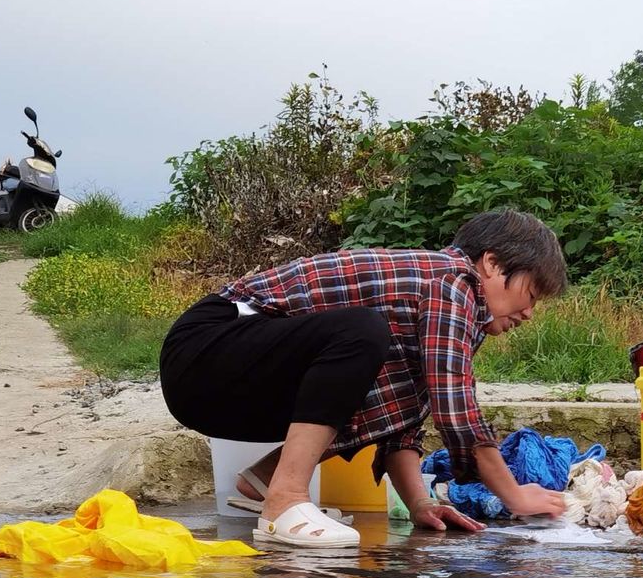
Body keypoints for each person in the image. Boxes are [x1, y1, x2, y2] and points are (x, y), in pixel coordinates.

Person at [158, 210, 570, 547]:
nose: (530, 313)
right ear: (492, 265)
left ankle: (265, 482)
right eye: (531, 295)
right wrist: (514, 496)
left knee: (384, 371)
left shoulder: (450, 309)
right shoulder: (455, 281)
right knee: (362, 330)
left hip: (231, 383)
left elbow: (407, 406)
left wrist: (420, 503)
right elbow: (454, 405)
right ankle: (285, 500)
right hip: (206, 351)